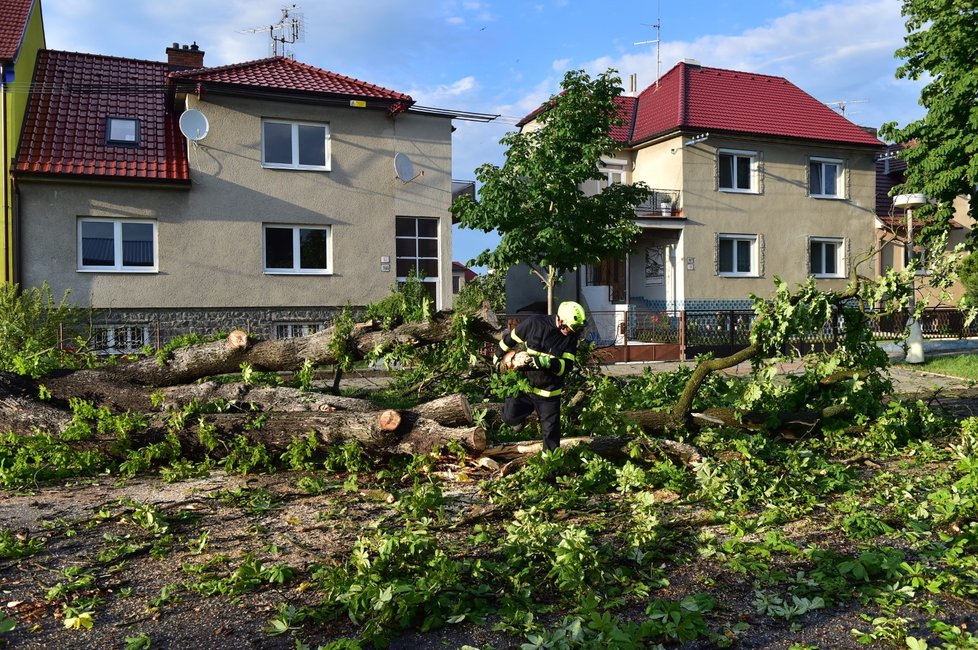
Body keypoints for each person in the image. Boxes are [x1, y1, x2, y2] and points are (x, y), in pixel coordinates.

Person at [494, 301, 587, 451]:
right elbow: (509, 340)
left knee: (551, 434)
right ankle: (518, 421)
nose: (571, 331)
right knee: (509, 417)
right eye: (571, 327)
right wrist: (498, 358)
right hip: (525, 386)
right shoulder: (534, 324)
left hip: (549, 393)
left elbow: (567, 365)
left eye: (576, 329)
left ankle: (549, 467)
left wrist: (547, 363)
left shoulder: (571, 337)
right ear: (561, 320)